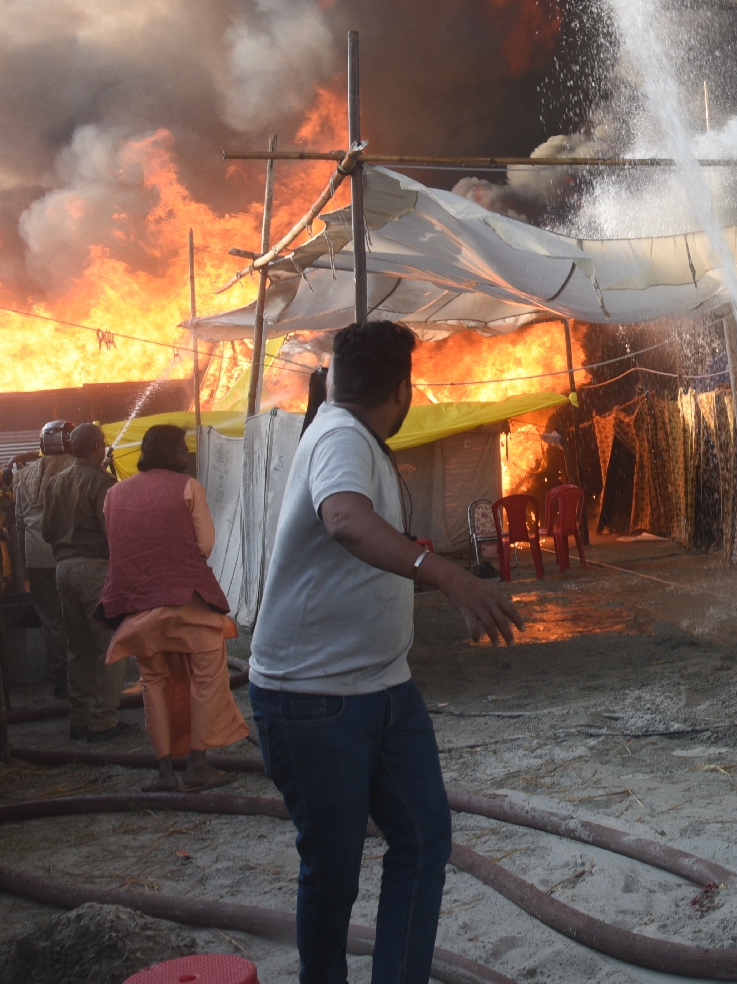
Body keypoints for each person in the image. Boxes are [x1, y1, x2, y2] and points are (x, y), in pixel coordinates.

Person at [250, 321, 525, 983]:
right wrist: (449, 572)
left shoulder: (346, 428)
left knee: (425, 838)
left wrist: (410, 547)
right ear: (403, 389)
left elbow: (358, 525)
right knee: (335, 871)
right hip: (313, 698)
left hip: (383, 687)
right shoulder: (343, 434)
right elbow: (344, 518)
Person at [102, 423, 251, 792]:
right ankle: (198, 766)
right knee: (207, 680)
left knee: (152, 684)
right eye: (181, 448)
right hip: (188, 606)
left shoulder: (114, 494)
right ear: (168, 453)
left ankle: (165, 772)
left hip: (137, 609)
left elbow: (120, 544)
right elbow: (205, 544)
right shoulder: (188, 487)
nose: (186, 455)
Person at [41, 422, 129, 742]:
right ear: (96, 448)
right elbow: (114, 535)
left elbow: (47, 532)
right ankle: (104, 720)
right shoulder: (104, 484)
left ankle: (79, 720)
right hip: (95, 571)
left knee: (76, 649)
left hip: (62, 571)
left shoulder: (55, 483)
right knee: (112, 647)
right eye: (102, 443)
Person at [14, 420, 75, 700]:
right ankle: (82, 675)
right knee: (77, 615)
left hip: (36, 558)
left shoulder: (24, 475)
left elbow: (18, 521)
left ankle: (60, 677)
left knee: (51, 619)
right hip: (70, 553)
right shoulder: (77, 469)